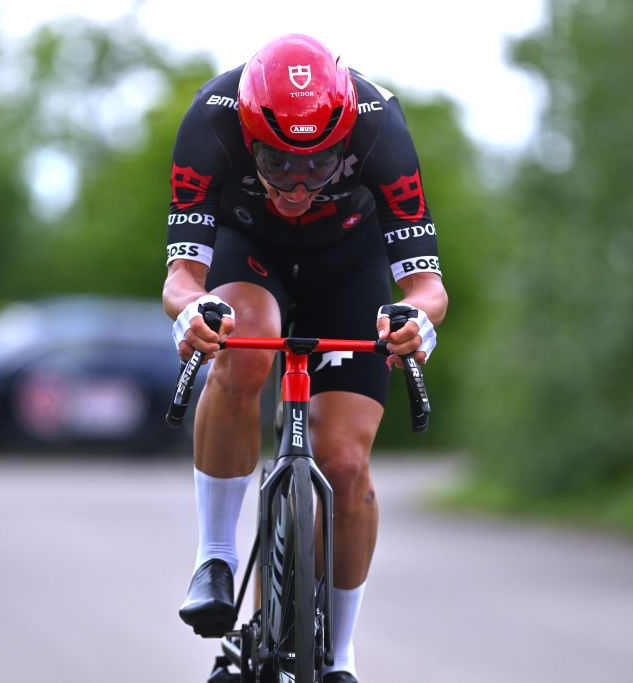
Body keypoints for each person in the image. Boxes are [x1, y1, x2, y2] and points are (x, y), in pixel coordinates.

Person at [163, 33, 447, 683]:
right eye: (277, 163)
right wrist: (191, 311)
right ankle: (215, 558)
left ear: (344, 137)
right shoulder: (211, 116)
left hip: (349, 261)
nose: (296, 184)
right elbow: (182, 277)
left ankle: (341, 655)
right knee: (243, 344)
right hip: (249, 251)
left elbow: (427, 288)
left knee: (344, 460)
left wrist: (415, 323)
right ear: (248, 132)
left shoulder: (380, 126)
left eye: (317, 166)